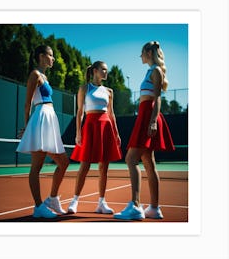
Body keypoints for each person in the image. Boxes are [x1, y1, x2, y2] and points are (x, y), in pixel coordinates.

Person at [114, 41, 175, 220]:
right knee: (148, 161)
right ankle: (154, 208)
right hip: (145, 115)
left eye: (142, 53)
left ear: (148, 52)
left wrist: (153, 121)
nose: (140, 57)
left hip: (149, 115)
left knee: (130, 159)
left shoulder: (156, 70)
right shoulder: (151, 71)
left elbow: (157, 99)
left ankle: (135, 205)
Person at [16, 45, 69, 219]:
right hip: (40, 119)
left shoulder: (45, 77)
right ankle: (38, 206)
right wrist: (28, 127)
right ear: (41, 56)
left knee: (64, 162)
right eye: (51, 55)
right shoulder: (35, 75)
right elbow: (27, 104)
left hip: (49, 119)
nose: (53, 59)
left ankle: (52, 198)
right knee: (36, 166)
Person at [67, 61, 122, 214]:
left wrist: (116, 133)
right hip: (90, 127)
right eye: (104, 69)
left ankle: (101, 203)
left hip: (106, 128)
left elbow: (111, 114)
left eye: (107, 70)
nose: (106, 72)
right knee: (84, 166)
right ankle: (74, 201)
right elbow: (80, 112)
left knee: (104, 167)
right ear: (95, 71)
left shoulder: (109, 91)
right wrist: (78, 132)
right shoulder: (84, 88)